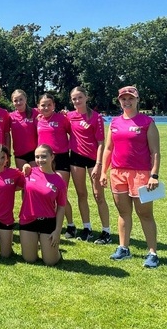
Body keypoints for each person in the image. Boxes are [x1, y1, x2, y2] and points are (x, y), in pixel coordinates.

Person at [100, 86, 161, 268]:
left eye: (130, 98)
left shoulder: (147, 122)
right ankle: (123, 248)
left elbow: (155, 152)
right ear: (119, 101)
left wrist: (154, 175)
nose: (127, 102)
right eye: (123, 99)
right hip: (118, 173)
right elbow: (108, 149)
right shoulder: (114, 123)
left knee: (145, 214)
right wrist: (103, 171)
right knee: (123, 212)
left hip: (141, 174)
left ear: (137, 100)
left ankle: (152, 253)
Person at [68, 86, 111, 244]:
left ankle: (106, 231)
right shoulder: (69, 116)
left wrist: (99, 164)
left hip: (94, 160)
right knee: (81, 194)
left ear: (86, 97)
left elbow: (101, 143)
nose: (77, 100)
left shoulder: (96, 117)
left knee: (99, 195)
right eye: (74, 98)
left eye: (80, 97)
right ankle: (87, 228)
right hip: (76, 159)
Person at [19, 144, 67, 266]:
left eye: (44, 156)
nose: (40, 160)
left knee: (50, 262)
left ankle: (56, 253)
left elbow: (61, 207)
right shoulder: (29, 172)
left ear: (52, 157)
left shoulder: (59, 181)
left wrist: (57, 231)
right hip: (28, 220)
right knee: (29, 259)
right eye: (37, 157)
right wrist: (25, 166)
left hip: (48, 222)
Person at [36, 93, 76, 238]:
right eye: (43, 105)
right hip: (44, 160)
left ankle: (71, 225)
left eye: (49, 105)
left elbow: (74, 134)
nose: (46, 108)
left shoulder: (62, 119)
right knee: (47, 193)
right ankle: (50, 224)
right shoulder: (38, 120)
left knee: (60, 194)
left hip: (61, 159)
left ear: (54, 105)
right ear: (38, 107)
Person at [9, 90, 38, 169]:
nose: (18, 102)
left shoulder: (36, 112)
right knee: (23, 176)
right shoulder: (10, 116)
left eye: (21, 99)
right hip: (19, 153)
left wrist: (62, 113)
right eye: (15, 100)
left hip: (34, 152)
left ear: (25, 99)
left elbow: (49, 114)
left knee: (35, 176)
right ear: (12, 102)